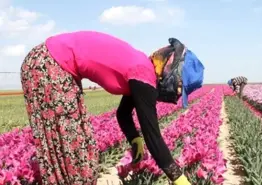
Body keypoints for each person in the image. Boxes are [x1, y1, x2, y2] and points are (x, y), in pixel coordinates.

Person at [20, 30, 204, 185]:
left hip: (46, 62)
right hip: (48, 64)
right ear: (172, 72)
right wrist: (178, 178)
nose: (175, 94)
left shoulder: (141, 68)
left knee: (74, 147)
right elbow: (153, 136)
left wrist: (134, 138)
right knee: (73, 149)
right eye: (179, 88)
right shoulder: (143, 75)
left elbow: (123, 113)